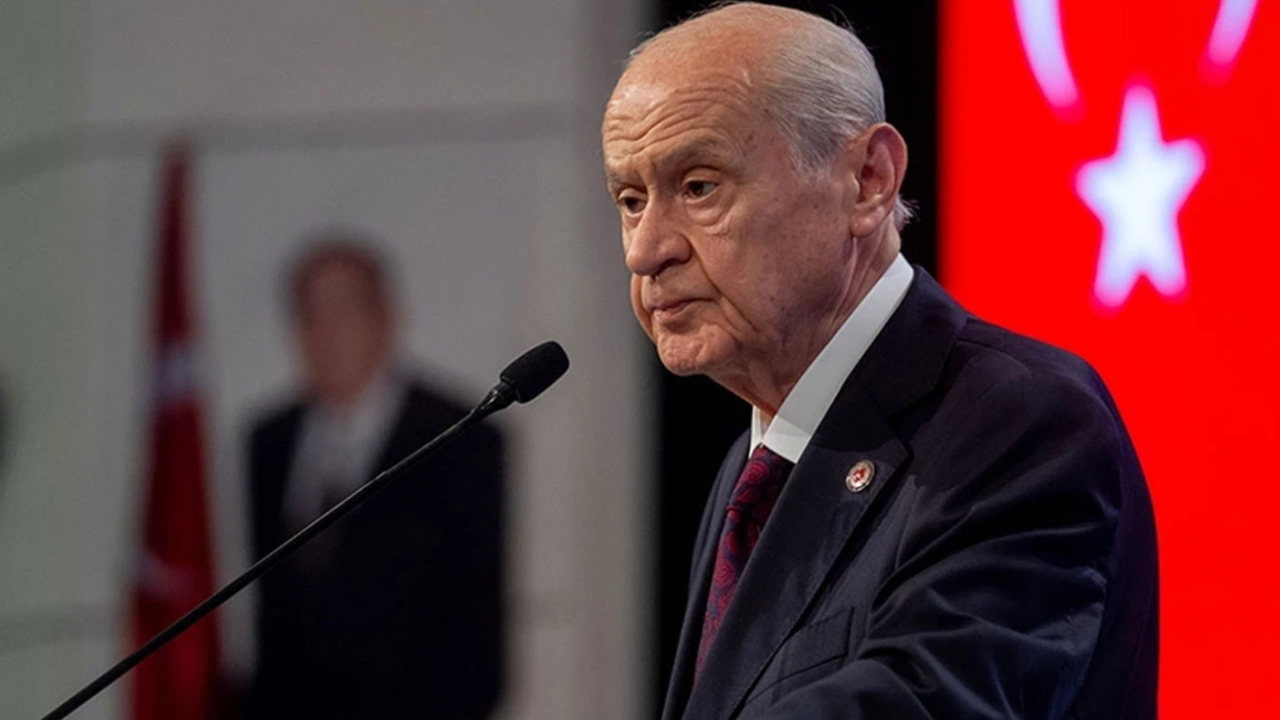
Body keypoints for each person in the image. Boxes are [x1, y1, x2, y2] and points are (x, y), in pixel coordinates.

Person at [601, 4, 1157, 719]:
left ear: (868, 180)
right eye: (631, 200)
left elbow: (932, 698)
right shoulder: (755, 465)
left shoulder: (1021, 420)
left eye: (699, 187)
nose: (647, 251)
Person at [244, 238, 504, 719]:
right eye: (311, 313)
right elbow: (274, 619)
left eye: (346, 309)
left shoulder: (457, 439)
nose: (328, 331)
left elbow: (474, 636)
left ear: (386, 316)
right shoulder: (268, 440)